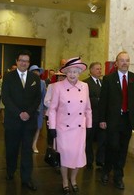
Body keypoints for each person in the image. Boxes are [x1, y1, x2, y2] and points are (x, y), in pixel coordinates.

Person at [99, 51, 134, 190]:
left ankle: (118, 176)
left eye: (127, 60)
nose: (125, 63)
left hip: (128, 119)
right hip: (113, 119)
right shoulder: (108, 79)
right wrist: (102, 119)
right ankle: (106, 170)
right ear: (116, 63)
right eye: (122, 60)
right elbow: (103, 102)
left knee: (123, 149)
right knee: (112, 146)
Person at [48, 57, 92, 195]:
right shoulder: (58, 87)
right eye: (70, 71)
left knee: (78, 156)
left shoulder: (85, 86)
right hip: (63, 129)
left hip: (79, 129)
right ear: (65, 72)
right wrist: (52, 128)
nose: (73, 74)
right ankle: (65, 182)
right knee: (65, 156)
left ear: (80, 73)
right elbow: (53, 109)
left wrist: (89, 125)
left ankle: (73, 180)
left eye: (75, 72)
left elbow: (88, 109)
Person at [2, 50, 41, 191]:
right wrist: (19, 113)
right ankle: (10, 172)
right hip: (13, 121)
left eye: (26, 61)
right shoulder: (8, 77)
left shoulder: (35, 78)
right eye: (21, 60)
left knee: (26, 151)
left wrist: (28, 113)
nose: (24, 63)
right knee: (11, 149)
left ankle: (26, 178)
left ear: (29, 63)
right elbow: (6, 98)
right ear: (17, 61)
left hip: (29, 121)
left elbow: (37, 98)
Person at [83, 62, 105, 169]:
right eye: (97, 69)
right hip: (91, 117)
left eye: (100, 69)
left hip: (102, 117)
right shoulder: (85, 83)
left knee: (102, 140)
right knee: (89, 140)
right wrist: (98, 100)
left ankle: (100, 160)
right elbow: (85, 100)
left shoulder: (103, 82)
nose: (100, 71)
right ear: (91, 70)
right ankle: (89, 160)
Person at [44, 72, 66, 147]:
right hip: (51, 115)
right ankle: (51, 153)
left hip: (63, 115)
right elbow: (46, 101)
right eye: (60, 76)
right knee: (51, 135)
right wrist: (56, 106)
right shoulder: (51, 86)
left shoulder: (68, 87)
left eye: (63, 76)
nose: (61, 78)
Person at [29, 65, 46, 153]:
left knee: (38, 127)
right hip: (29, 109)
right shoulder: (26, 82)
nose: (36, 72)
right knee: (29, 127)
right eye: (34, 71)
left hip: (40, 108)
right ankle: (27, 144)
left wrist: (45, 109)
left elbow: (44, 96)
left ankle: (34, 144)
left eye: (37, 71)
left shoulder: (42, 83)